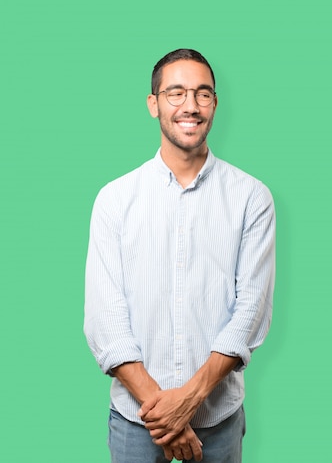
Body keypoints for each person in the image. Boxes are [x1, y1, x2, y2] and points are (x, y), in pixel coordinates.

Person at [84, 48, 275, 463]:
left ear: (215, 104)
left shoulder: (251, 198)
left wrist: (190, 399)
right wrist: (166, 415)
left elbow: (251, 311)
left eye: (202, 94)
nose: (190, 106)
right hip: (137, 422)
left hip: (217, 422)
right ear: (153, 104)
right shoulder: (114, 200)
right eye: (176, 93)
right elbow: (105, 318)